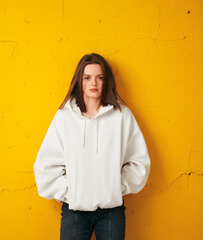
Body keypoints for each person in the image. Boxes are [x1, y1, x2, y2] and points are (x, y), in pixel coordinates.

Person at [33, 53, 151, 240]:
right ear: (79, 81)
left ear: (107, 81)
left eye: (99, 77)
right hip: (75, 211)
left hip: (111, 211)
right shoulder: (64, 117)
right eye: (87, 78)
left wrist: (114, 187)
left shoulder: (122, 116)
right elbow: (45, 166)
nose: (93, 83)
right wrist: (72, 192)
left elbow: (139, 162)